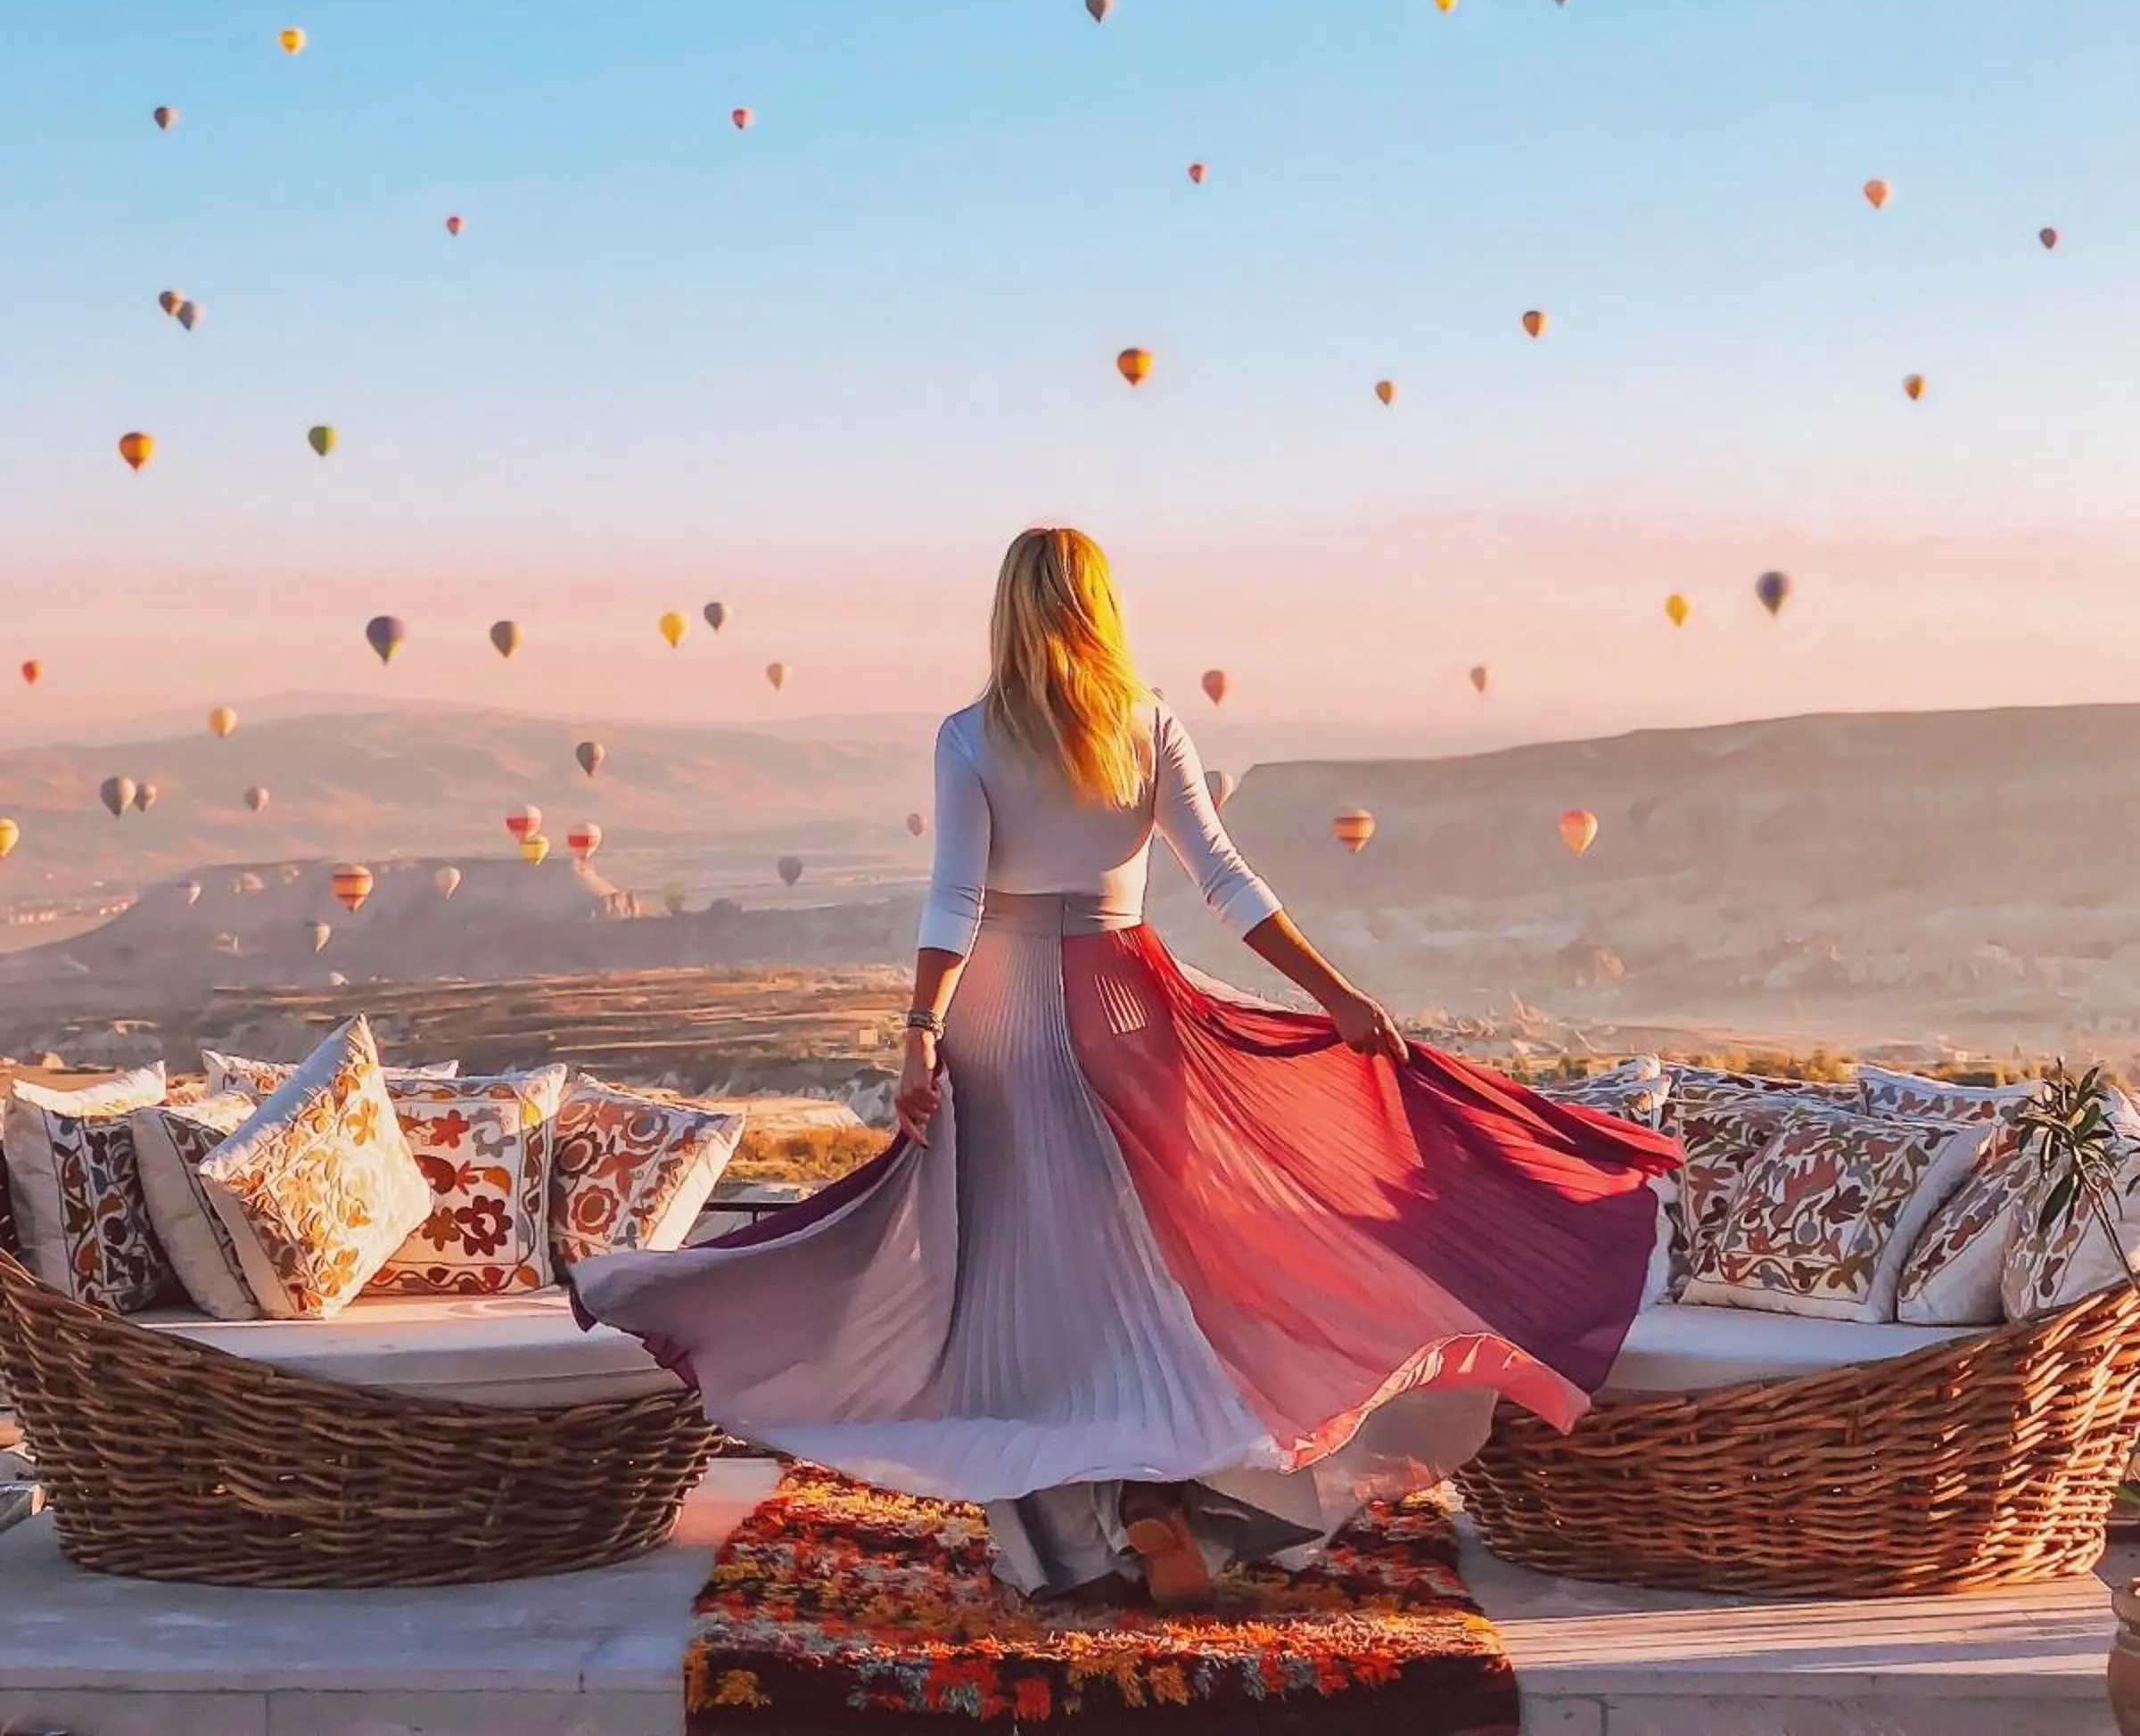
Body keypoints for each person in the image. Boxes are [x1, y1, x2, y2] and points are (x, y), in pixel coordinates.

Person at [573, 526, 1676, 1607]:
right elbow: (1228, 881)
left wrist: (918, 1030)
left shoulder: (968, 736)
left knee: (1028, 1293)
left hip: (998, 1016)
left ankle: (1075, 1542)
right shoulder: (1147, 727)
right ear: (1103, 609)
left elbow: (955, 898)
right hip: (1126, 1007)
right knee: (1169, 1271)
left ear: (1008, 609)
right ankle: (1205, 1503)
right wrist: (1333, 994)